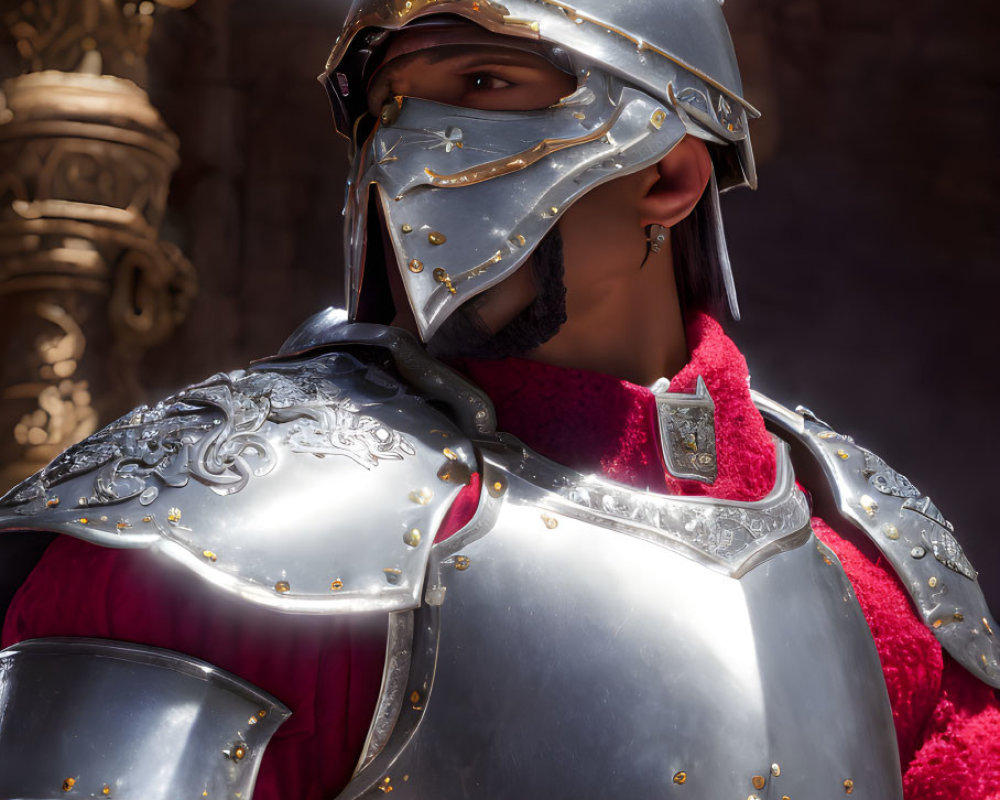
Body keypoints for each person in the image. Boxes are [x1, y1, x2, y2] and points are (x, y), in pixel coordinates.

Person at [0, 1, 998, 798]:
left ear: (669, 175)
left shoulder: (875, 557)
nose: (409, 150)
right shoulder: (225, 525)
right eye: (388, 105)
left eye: (483, 82)